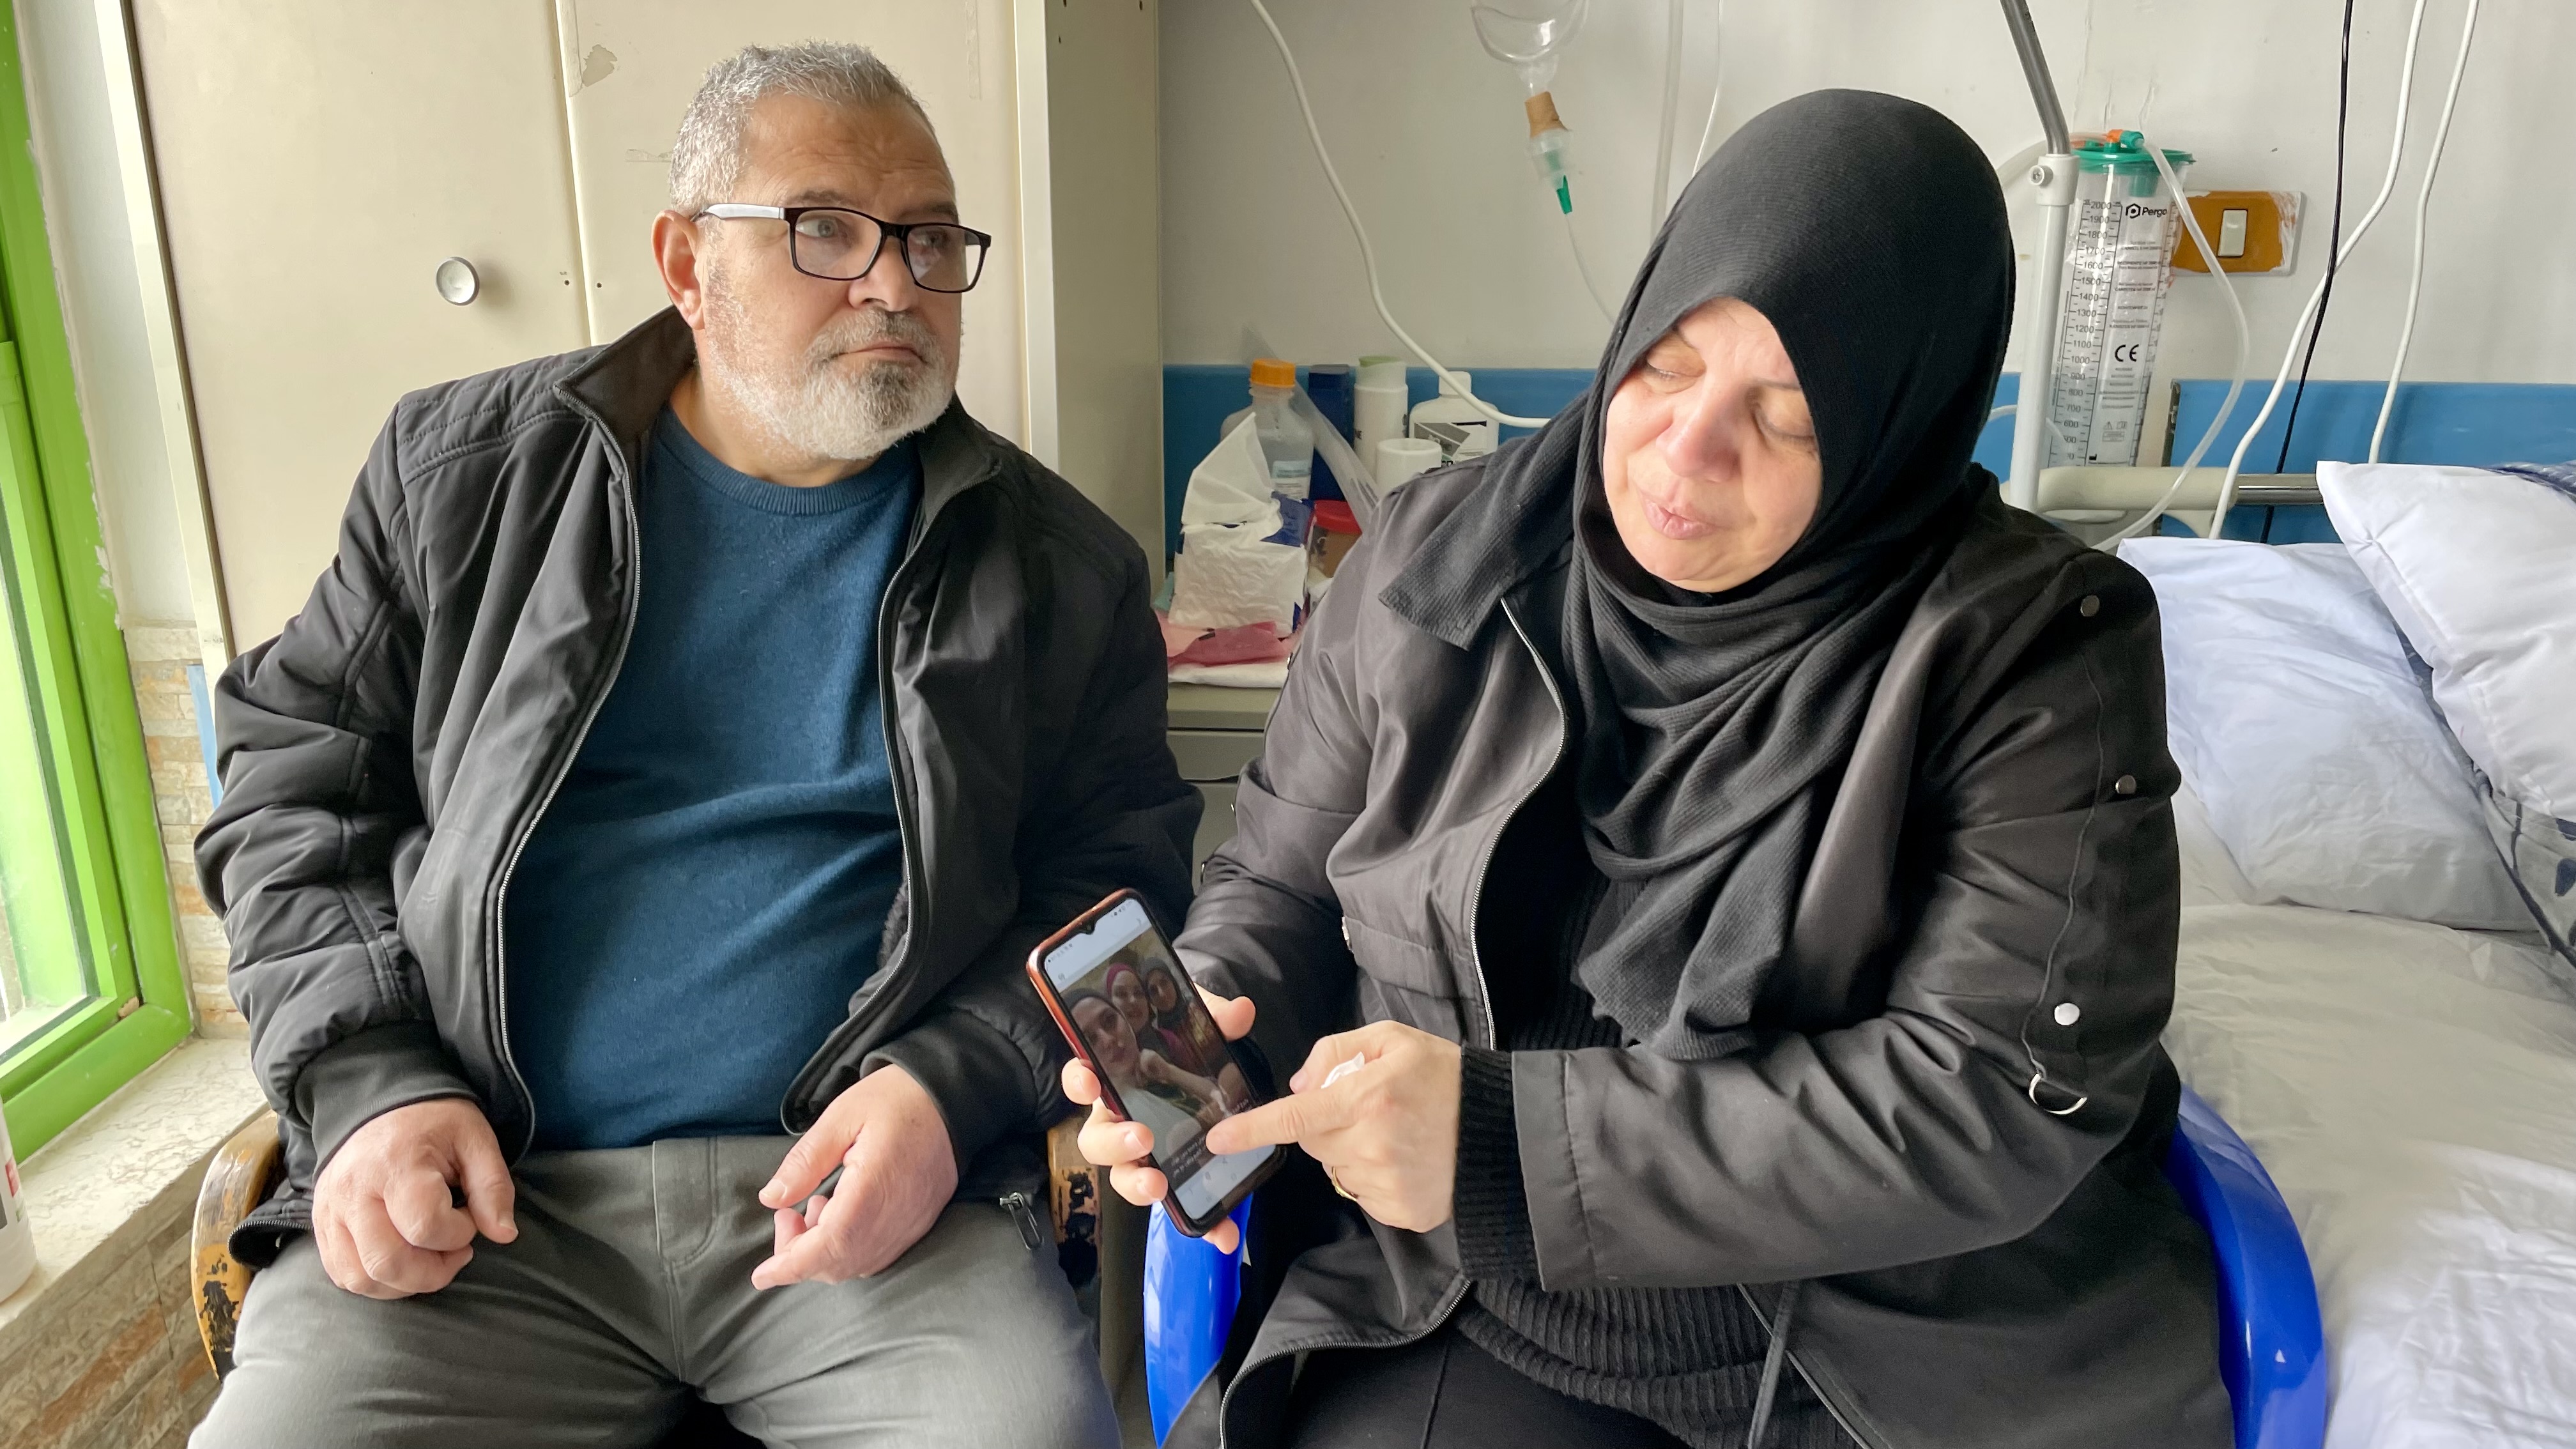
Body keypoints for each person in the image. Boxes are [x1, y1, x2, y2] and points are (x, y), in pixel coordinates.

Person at [1071, 90, 2228, 1449]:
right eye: (1669, 363)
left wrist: (1499, 1145)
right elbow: (1280, 874)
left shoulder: (2034, 655)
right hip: (1473, 1312)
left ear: (1895, 436)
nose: (1688, 450)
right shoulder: (1435, 563)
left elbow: (1985, 1093)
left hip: (1872, 1356)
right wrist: (1214, 1017)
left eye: (1789, 415)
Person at [192, 42, 1194, 1449]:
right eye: (826, 230)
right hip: (488, 1197)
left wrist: (950, 1089)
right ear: (685, 262)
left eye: (927, 241)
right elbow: (292, 795)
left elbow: (1116, 891)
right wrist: (367, 1085)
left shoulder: (1061, 573)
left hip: (863, 1198)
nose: (893, 283)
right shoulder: (458, 481)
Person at [1066, 989, 1228, 1138]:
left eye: (1109, 1021)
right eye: (1090, 1040)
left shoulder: (1157, 1070)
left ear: (1125, 1019)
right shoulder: (1122, 1117)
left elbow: (1224, 1101)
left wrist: (1170, 1072)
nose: (1108, 1040)